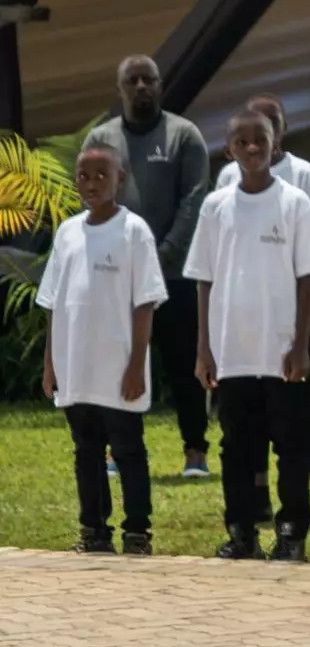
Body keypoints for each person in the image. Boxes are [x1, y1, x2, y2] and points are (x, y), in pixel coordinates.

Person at [186, 106, 310, 562]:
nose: (251, 148)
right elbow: (204, 278)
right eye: (241, 141)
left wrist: (302, 343)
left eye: (259, 140)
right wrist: (205, 347)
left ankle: (291, 532)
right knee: (236, 447)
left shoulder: (294, 203)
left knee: (292, 445)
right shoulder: (215, 206)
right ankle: (241, 531)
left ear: (275, 144)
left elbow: (309, 276)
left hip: (281, 352)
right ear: (228, 149)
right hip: (233, 352)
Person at [41, 133, 166, 556]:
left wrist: (136, 366)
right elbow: (53, 304)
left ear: (120, 179)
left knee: (128, 450)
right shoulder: (67, 234)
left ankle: (137, 530)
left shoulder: (134, 232)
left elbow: (145, 303)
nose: (91, 183)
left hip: (118, 369)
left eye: (101, 175)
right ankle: (94, 530)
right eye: (83, 176)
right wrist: (50, 366)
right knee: (86, 451)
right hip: (76, 368)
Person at [92, 56, 211, 479]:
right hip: (119, 279)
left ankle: (195, 450)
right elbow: (94, 201)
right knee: (121, 362)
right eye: (132, 80)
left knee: (184, 366)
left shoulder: (184, 135)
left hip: (175, 277)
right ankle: (118, 451)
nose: (141, 86)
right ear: (119, 87)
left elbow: (194, 199)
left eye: (149, 80)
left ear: (159, 86)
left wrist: (160, 256)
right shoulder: (101, 139)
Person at [213, 93, 310, 240]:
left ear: (284, 128)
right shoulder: (229, 174)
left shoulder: (303, 172)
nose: (266, 128)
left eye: (273, 121)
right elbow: (215, 230)